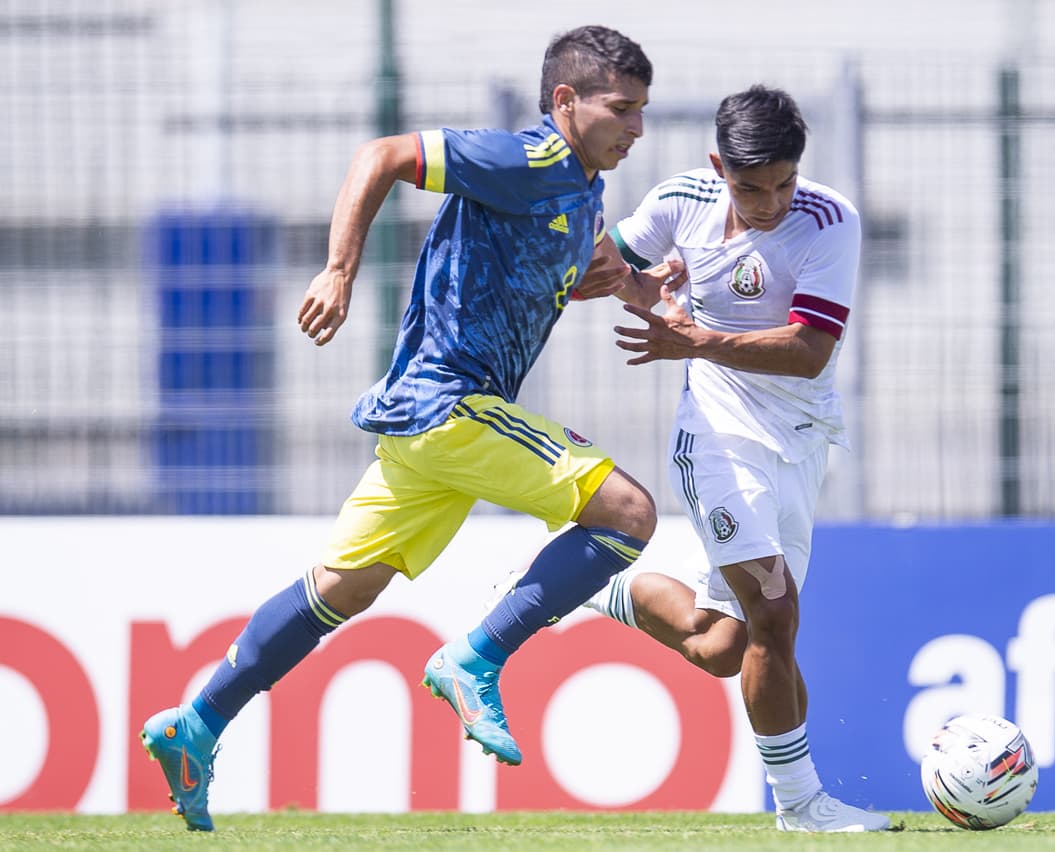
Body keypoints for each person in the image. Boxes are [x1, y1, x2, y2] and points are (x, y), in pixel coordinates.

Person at [138, 25, 671, 832]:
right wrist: (340, 269)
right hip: (453, 405)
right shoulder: (529, 160)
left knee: (339, 590)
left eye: (642, 112)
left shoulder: (579, 189)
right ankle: (475, 658)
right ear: (565, 102)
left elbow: (591, 270)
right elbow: (382, 154)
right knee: (629, 515)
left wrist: (646, 290)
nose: (637, 129)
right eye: (622, 110)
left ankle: (199, 723)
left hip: (429, 434)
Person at [576, 85, 891, 833]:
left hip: (803, 437)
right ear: (718, 166)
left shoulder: (830, 221)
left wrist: (698, 337)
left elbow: (811, 352)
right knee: (775, 618)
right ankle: (802, 807)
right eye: (752, 188)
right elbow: (595, 266)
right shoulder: (679, 200)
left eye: (783, 183)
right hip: (717, 436)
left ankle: (593, 584)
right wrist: (629, 280)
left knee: (722, 646)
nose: (771, 203)